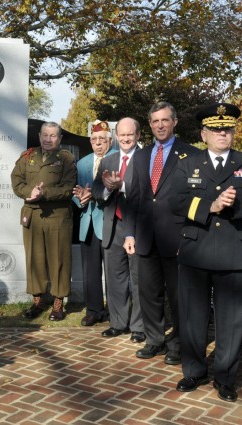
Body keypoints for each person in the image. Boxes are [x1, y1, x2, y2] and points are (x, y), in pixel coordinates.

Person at [170, 103, 242, 402]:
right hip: (196, 251)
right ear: (204, 134)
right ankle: (194, 371)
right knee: (192, 317)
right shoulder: (187, 162)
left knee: (231, 321)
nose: (223, 133)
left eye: (227, 129)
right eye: (216, 129)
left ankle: (225, 378)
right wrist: (210, 206)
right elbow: (176, 201)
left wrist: (236, 205)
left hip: (234, 252)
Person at [123, 101, 198, 365]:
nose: (160, 125)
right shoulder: (141, 156)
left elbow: (195, 199)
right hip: (145, 237)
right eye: (155, 121)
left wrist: (189, 235)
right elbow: (133, 197)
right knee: (149, 293)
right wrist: (129, 233)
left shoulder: (190, 155)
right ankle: (155, 339)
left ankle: (178, 344)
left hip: (177, 239)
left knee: (178, 296)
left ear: (174, 122)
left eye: (165, 120)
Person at [11, 122, 76, 321]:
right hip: (33, 215)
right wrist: (28, 193)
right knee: (34, 259)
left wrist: (44, 194)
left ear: (60, 138)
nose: (48, 139)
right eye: (45, 135)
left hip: (57, 216)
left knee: (59, 259)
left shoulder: (66, 159)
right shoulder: (28, 157)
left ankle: (58, 302)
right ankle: (37, 300)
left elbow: (69, 187)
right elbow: (16, 181)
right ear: (39, 136)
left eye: (53, 135)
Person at [93, 117, 144, 342]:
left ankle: (140, 327)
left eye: (130, 135)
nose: (125, 139)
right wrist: (105, 189)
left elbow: (149, 192)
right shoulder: (108, 161)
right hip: (112, 226)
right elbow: (96, 189)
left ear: (138, 135)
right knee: (115, 278)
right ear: (115, 137)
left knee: (139, 279)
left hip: (139, 227)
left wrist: (121, 185)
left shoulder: (147, 159)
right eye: (122, 135)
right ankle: (117, 323)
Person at [73, 120, 115, 327]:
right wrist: (79, 198)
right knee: (90, 272)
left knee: (113, 271)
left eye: (102, 140)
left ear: (110, 140)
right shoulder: (82, 163)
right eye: (94, 140)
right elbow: (76, 190)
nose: (98, 143)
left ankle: (115, 311)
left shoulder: (117, 159)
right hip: (87, 222)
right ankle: (93, 310)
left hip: (110, 222)